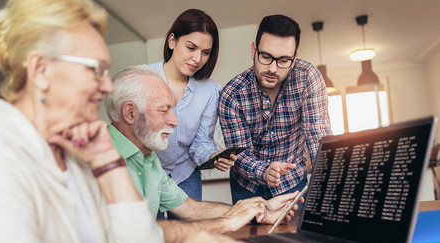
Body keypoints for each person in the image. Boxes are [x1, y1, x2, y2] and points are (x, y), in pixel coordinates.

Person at [0, 1, 247, 243]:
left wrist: (109, 164)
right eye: (95, 69)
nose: (108, 87)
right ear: (40, 69)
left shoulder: (75, 157)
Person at [104, 65, 302, 230]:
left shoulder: (150, 159)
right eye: (164, 111)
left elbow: (189, 208)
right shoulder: (95, 161)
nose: (174, 121)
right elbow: (137, 237)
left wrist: (261, 208)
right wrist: (228, 222)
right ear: (130, 113)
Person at [218, 14, 332, 204]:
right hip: (247, 188)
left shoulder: (308, 78)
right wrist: (265, 171)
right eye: (266, 56)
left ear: (295, 58)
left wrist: (329, 181)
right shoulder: (231, 94)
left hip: (293, 182)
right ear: (254, 49)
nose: (273, 69)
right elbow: (240, 153)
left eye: (283, 60)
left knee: (295, 234)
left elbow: (317, 135)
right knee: (251, 234)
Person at [148, 9, 235, 202]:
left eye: (206, 52)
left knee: (190, 230)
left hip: (185, 175)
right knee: (152, 231)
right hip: (146, 173)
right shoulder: (143, 78)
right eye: (191, 48)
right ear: (172, 41)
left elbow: (201, 143)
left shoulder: (210, 91)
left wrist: (214, 156)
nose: (198, 59)